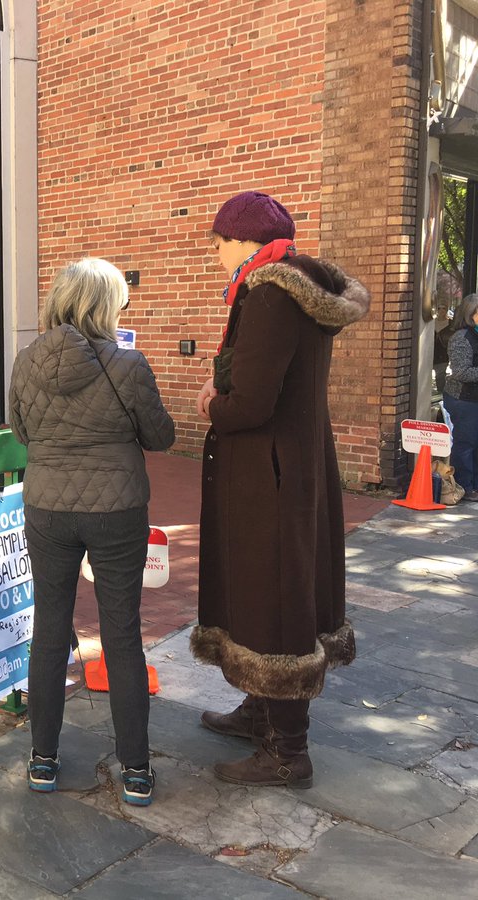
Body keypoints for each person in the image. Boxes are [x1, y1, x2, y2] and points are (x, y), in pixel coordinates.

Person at [193, 191, 370, 788]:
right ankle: (259, 711)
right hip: (291, 467)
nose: (216, 254)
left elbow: (252, 403)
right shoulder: (302, 286)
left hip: (266, 475)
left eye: (218, 242)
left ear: (244, 240)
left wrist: (214, 403)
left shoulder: (269, 292)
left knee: (273, 597)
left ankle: (286, 752)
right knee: (273, 588)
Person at [8, 258, 175, 805]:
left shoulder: (26, 361)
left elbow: (21, 431)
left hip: (47, 506)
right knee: (121, 633)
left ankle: (42, 759)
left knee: (49, 627)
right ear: (107, 306)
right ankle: (136, 770)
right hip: (117, 509)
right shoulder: (128, 364)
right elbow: (160, 436)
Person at [444, 293, 478, 501]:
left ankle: (474, 483)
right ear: (470, 314)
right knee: (465, 444)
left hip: (474, 398)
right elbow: (461, 372)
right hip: (463, 399)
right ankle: (465, 486)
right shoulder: (461, 339)